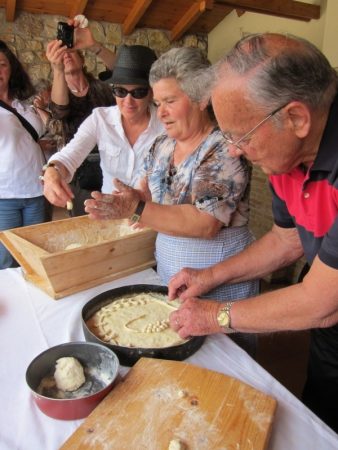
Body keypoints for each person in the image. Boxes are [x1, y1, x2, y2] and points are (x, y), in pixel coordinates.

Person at [166, 34, 338, 433]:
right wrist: (207, 277)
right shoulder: (287, 157)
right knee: (322, 413)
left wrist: (215, 315)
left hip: (327, 303)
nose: (232, 151)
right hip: (329, 323)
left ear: (296, 118)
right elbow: (286, 240)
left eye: (240, 136)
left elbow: (323, 303)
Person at [84, 47, 259, 355]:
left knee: (224, 364)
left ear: (202, 98)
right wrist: (131, 199)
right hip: (172, 278)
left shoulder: (223, 150)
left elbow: (206, 223)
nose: (160, 112)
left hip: (222, 286)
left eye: (170, 101)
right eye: (157, 102)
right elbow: (147, 196)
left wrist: (138, 208)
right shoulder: (162, 145)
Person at [42, 44, 163, 211]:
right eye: (120, 91)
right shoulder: (101, 119)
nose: (128, 101)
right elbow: (70, 154)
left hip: (153, 216)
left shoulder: (166, 123)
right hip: (110, 213)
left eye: (138, 92)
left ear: (151, 93)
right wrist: (52, 172)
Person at [45, 21, 116, 215]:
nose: (66, 54)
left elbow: (121, 71)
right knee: (85, 221)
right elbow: (59, 110)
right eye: (61, 54)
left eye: (71, 51)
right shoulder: (59, 92)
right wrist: (57, 70)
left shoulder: (101, 87)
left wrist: (93, 45)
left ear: (82, 59)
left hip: (109, 163)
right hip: (75, 169)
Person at [0, 40, 46, 268]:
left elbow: (35, 137)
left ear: (11, 69)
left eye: (2, 64)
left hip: (36, 191)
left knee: (34, 256)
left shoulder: (22, 106)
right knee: (7, 259)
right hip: (5, 195)